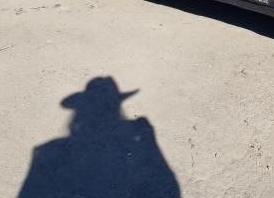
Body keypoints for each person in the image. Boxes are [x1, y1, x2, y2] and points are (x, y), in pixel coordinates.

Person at [18, 77, 180, 198]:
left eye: (107, 110)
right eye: (102, 110)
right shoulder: (133, 155)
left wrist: (150, 146)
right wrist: (150, 146)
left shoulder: (51, 153)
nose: (104, 117)